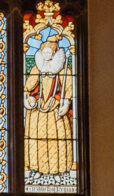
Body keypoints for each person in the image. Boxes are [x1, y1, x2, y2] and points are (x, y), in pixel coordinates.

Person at [24, 36, 75, 179]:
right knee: (37, 139)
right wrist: (28, 97)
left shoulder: (63, 70)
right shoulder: (37, 68)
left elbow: (68, 88)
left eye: (49, 53)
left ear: (54, 54)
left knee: (56, 140)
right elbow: (29, 86)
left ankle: (57, 171)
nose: (47, 55)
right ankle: (38, 169)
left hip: (55, 108)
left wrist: (65, 103)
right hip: (39, 110)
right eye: (44, 52)